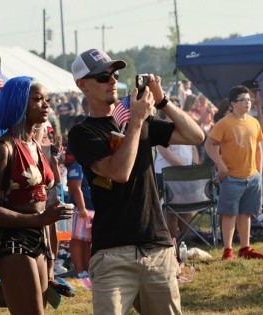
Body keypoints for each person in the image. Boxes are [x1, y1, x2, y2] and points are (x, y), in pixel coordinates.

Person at [68, 48, 204, 315]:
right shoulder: (82, 133)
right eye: (102, 76)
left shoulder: (139, 122)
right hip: (112, 253)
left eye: (115, 74)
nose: (112, 81)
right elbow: (119, 172)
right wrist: (137, 122)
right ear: (82, 85)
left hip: (156, 246)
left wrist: (162, 100)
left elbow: (195, 135)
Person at [0, 76, 70, 315]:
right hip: (10, 241)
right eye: (37, 99)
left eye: (47, 99)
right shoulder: (2, 149)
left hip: (37, 240)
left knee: (38, 308)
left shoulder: (35, 145)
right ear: (19, 103)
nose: (46, 104)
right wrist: (38, 220)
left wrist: (49, 251)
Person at [204, 85, 263, 260]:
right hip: (231, 177)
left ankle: (245, 248)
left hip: (252, 177)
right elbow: (209, 145)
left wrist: (259, 170)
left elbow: (258, 146)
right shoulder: (224, 123)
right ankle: (228, 250)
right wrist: (220, 164)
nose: (248, 103)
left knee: (246, 213)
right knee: (229, 214)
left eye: (249, 100)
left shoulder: (254, 122)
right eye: (244, 100)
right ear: (233, 104)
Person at [154, 109, 200, 240]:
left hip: (186, 174)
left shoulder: (184, 126)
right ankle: (172, 242)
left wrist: (194, 165)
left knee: (186, 208)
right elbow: (164, 152)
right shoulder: (161, 126)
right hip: (167, 174)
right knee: (171, 210)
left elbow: (194, 147)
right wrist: (184, 167)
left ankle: (185, 241)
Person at [66, 160, 94, 279]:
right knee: (77, 241)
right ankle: (78, 270)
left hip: (91, 210)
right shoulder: (77, 166)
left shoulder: (91, 164)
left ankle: (87, 269)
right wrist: (82, 208)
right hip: (80, 210)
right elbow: (75, 188)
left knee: (87, 242)